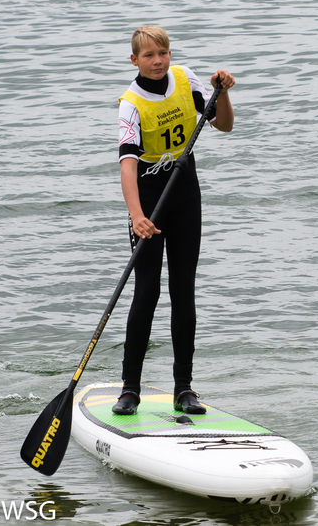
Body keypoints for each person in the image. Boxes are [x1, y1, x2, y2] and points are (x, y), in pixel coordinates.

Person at [112, 25, 236, 415]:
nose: (157, 61)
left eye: (162, 53)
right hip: (149, 200)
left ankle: (184, 389)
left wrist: (224, 92)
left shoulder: (187, 79)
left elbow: (224, 125)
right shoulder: (130, 103)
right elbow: (128, 165)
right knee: (146, 292)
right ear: (134, 60)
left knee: (184, 290)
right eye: (148, 55)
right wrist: (137, 216)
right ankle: (130, 389)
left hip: (185, 195)